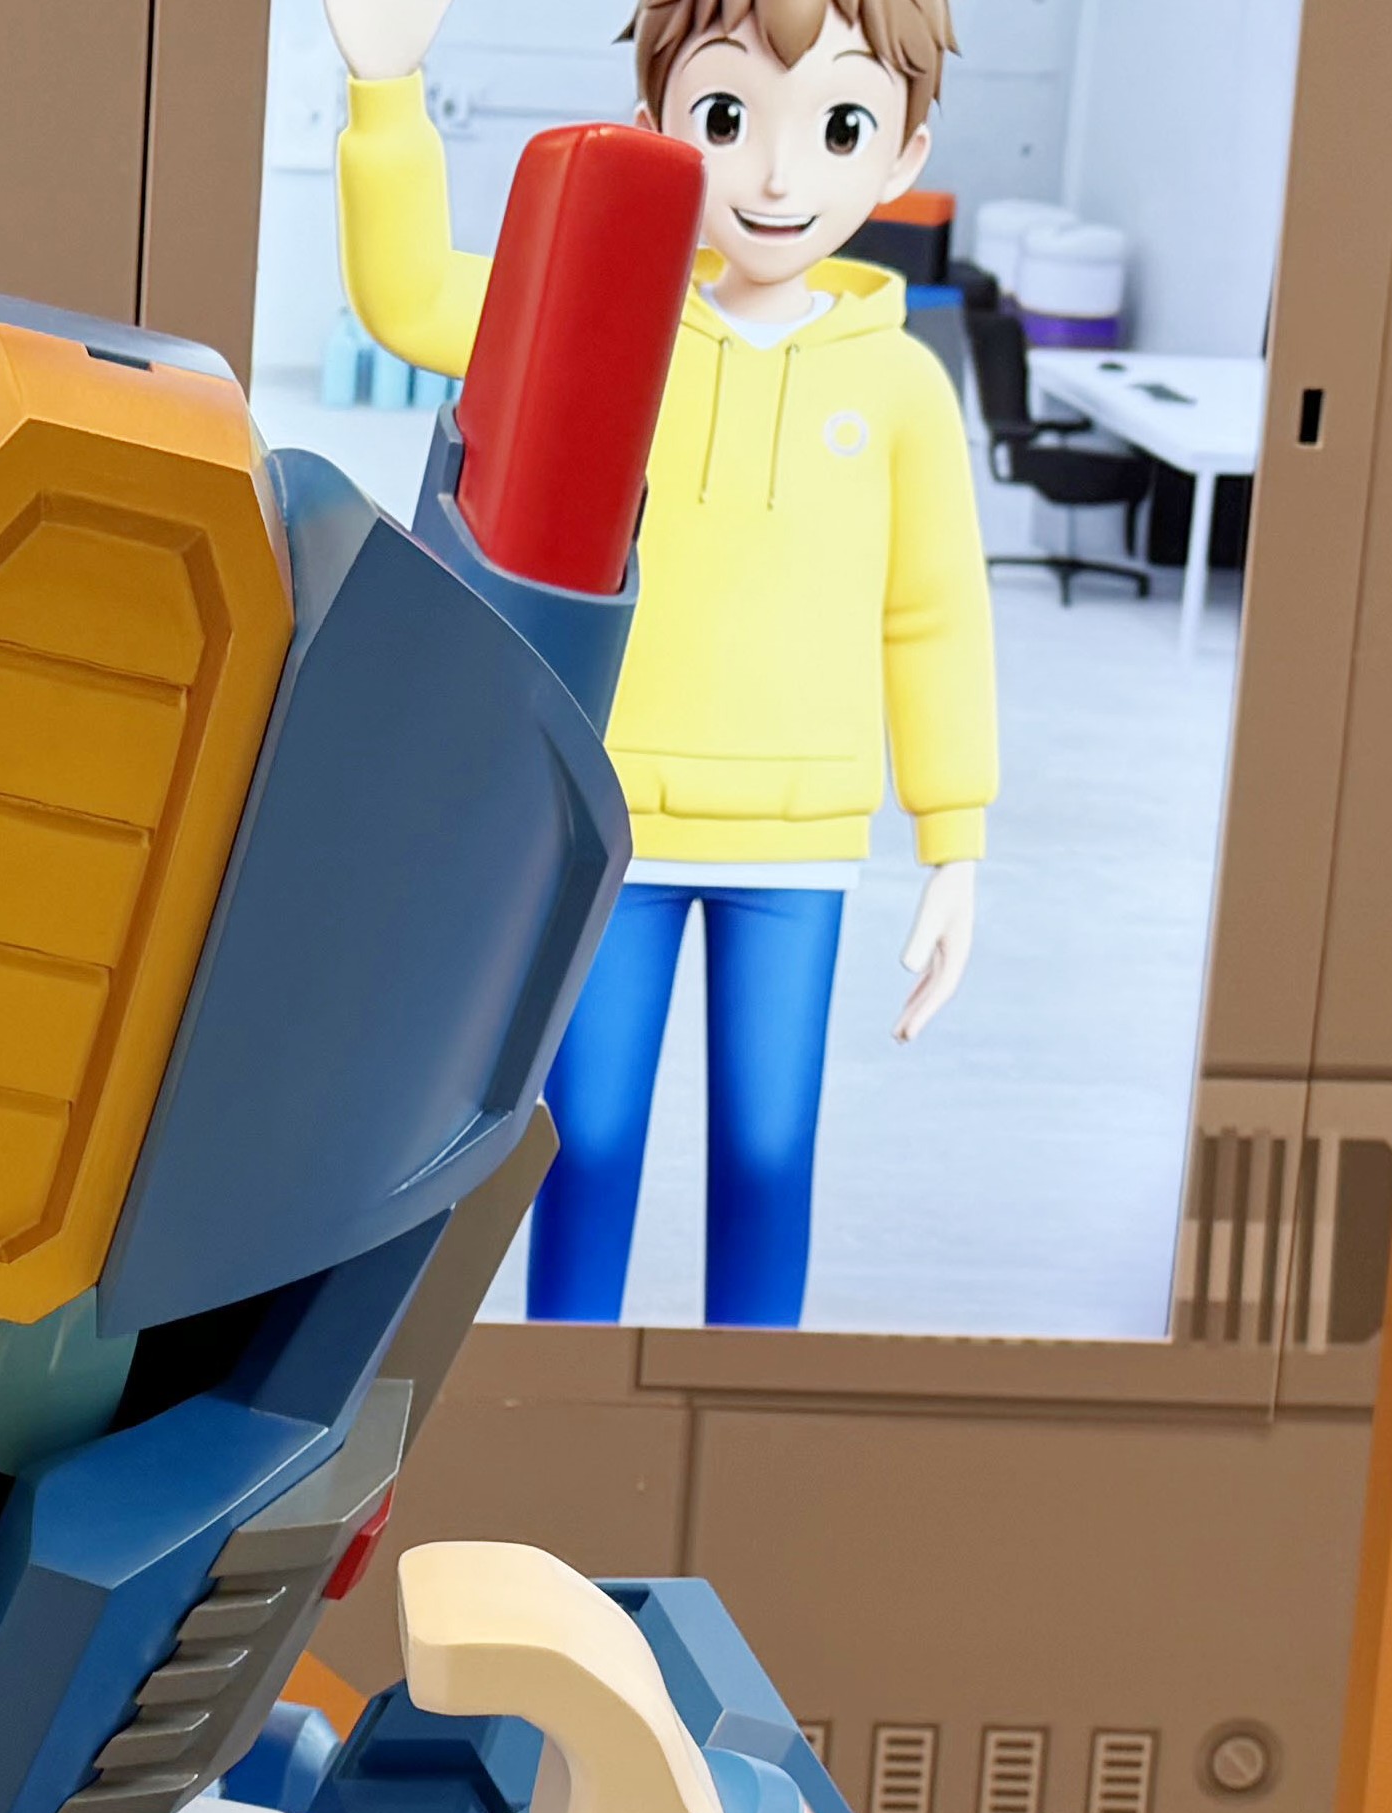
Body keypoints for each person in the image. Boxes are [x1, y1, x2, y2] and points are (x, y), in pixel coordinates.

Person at [333, 0, 995, 1325]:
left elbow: (933, 613)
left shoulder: (905, 389)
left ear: (905, 153)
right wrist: (386, 90)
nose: (777, 176)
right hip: (615, 828)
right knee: (582, 1150)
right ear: (657, 129)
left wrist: (955, 839)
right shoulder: (608, 316)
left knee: (769, 1159)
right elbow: (409, 299)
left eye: (840, 128)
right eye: (727, 117)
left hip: (799, 848)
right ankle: (573, 1388)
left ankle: (750, 1402)